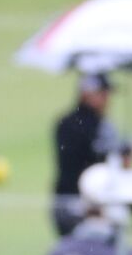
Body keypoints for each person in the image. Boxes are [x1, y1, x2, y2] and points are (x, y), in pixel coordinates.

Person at [51, 71, 120, 236]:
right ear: (87, 94)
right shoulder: (89, 125)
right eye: (102, 93)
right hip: (82, 205)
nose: (107, 99)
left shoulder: (66, 122)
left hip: (68, 202)